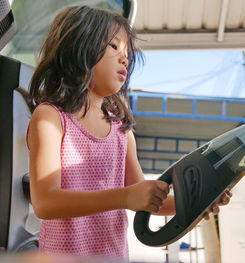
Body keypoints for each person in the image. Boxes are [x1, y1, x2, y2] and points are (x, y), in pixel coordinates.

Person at [27, 5, 232, 260]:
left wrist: (200, 202)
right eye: (114, 47)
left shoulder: (121, 133)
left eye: (127, 52)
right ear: (76, 47)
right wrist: (125, 197)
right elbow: (45, 203)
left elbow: (146, 200)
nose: (125, 58)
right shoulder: (51, 118)